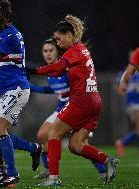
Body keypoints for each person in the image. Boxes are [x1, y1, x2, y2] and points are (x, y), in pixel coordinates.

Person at [26, 15, 119, 186]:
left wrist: (33, 70)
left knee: (52, 134)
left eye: (59, 39)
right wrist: (38, 73)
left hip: (81, 101)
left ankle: (53, 178)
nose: (58, 43)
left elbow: (58, 67)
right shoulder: (81, 49)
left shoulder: (74, 50)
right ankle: (107, 161)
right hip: (94, 101)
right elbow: (58, 71)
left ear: (68, 35)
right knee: (76, 145)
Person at [30, 38, 106, 180]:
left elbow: (76, 88)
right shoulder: (50, 72)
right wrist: (31, 87)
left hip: (75, 108)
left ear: (58, 52)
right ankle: (49, 169)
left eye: (51, 50)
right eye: (45, 51)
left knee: (80, 145)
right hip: (61, 108)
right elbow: (54, 90)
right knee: (42, 135)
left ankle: (103, 168)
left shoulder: (64, 69)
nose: (48, 54)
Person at [0, 0, 30, 187]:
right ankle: (33, 149)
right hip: (7, 89)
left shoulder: (9, 35)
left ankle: (12, 174)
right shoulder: (5, 35)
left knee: (0, 130)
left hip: (15, 88)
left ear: (1, 18)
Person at [115, 48, 139, 156]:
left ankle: (122, 142)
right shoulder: (126, 71)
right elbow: (119, 87)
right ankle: (122, 142)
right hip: (133, 103)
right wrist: (127, 93)